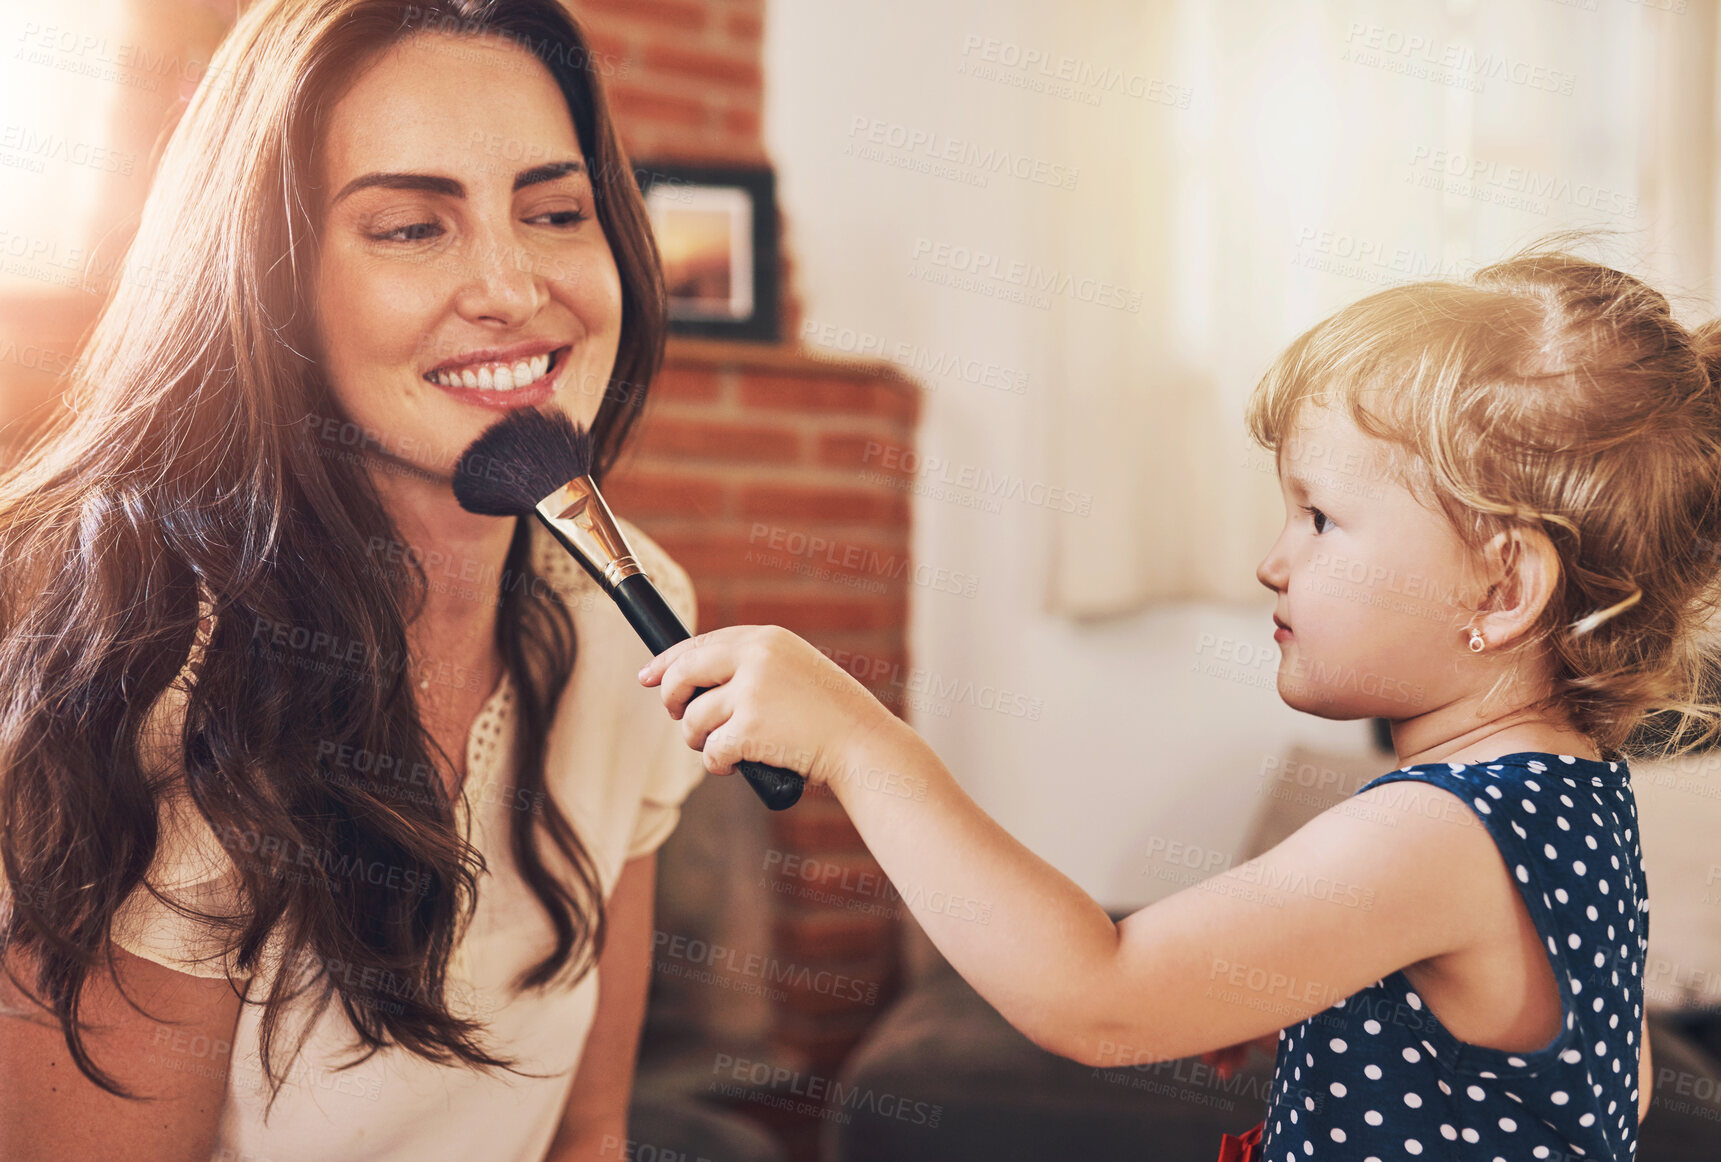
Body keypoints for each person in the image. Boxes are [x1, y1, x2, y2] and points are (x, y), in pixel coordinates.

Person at [640, 247, 1721, 1161]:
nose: (1271, 560)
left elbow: (1093, 995)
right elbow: (1599, 1084)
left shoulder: (1433, 829)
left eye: (1319, 518)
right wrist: (1316, 993)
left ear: (1499, 587)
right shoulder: (1575, 801)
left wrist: (858, 740)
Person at [0, 3, 703, 1160]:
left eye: (555, 211)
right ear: (273, 288)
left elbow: (586, 1132)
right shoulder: (161, 687)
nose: (511, 286)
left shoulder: (634, 619)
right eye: (410, 228)